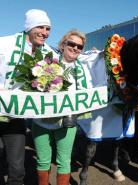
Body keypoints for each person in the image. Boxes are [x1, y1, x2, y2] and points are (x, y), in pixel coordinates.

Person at [0, 9, 55, 185]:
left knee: (17, 169)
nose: (45, 32)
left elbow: (59, 74)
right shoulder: (4, 43)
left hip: (15, 115)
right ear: (29, 27)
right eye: (41, 27)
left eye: (48, 28)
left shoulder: (48, 53)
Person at [31, 30, 86, 185]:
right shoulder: (46, 62)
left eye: (79, 46)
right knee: (43, 161)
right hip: (41, 122)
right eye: (72, 44)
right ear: (63, 45)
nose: (76, 48)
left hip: (66, 123)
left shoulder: (84, 71)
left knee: (64, 161)